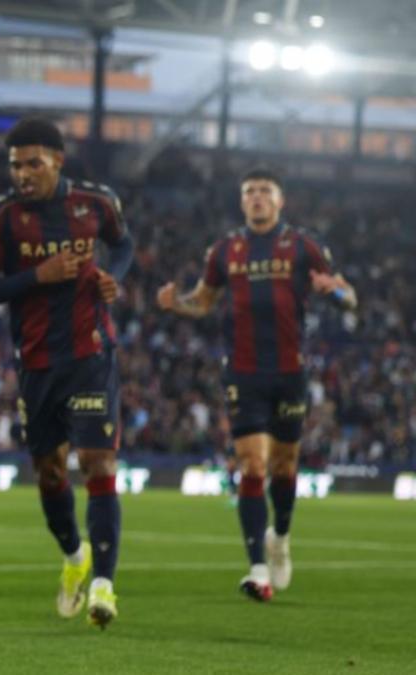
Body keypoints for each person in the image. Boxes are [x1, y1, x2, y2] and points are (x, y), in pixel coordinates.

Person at [156, 167, 356, 602]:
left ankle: (280, 537)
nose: (258, 198)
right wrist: (177, 304)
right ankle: (258, 569)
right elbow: (203, 303)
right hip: (244, 371)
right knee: (252, 466)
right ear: (242, 201)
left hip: (290, 371)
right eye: (250, 192)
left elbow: (349, 297)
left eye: (265, 191)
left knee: (285, 467)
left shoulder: (303, 246)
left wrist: (333, 292)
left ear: (280, 200)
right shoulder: (225, 250)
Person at [0, 118, 133, 629]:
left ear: (57, 160)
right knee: (49, 474)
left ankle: (104, 585)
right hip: (36, 361)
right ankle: (73, 556)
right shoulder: (0, 218)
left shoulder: (96, 203)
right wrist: (37, 276)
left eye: (32, 163)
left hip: (91, 354)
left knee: (98, 463)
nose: (22, 173)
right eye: (15, 164)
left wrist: (114, 278)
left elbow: (123, 245)